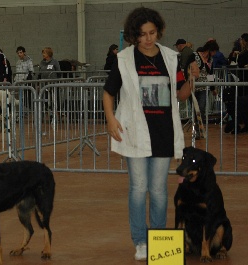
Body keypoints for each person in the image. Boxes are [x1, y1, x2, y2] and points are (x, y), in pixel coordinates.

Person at [102, 7, 195, 261]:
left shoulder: (171, 57)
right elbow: (108, 93)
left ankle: (159, 241)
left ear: (159, 31)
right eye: (142, 34)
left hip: (164, 133)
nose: (148, 38)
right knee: (138, 187)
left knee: (158, 190)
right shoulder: (124, 59)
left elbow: (181, 94)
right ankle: (140, 241)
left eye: (152, 33)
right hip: (134, 133)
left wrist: (192, 79)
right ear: (134, 35)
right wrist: (111, 119)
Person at [185, 40, 218, 138]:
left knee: (202, 109)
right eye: (213, 51)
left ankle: (201, 130)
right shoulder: (194, 55)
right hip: (192, 87)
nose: (214, 53)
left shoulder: (210, 60)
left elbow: (210, 74)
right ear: (209, 49)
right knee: (195, 109)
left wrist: (213, 88)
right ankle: (197, 130)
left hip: (204, 88)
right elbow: (187, 67)